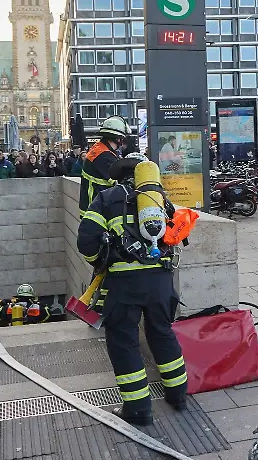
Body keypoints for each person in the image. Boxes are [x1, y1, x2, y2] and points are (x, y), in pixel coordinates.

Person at [76, 154, 187, 426]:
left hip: (124, 285)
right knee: (162, 332)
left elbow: (86, 241)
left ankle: (138, 409)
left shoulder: (107, 198)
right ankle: (178, 395)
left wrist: (101, 264)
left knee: (123, 341)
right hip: (161, 281)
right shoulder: (160, 199)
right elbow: (175, 236)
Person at [79, 115, 127, 212]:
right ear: (118, 139)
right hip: (97, 209)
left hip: (91, 205)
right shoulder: (105, 156)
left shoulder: (98, 148)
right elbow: (120, 180)